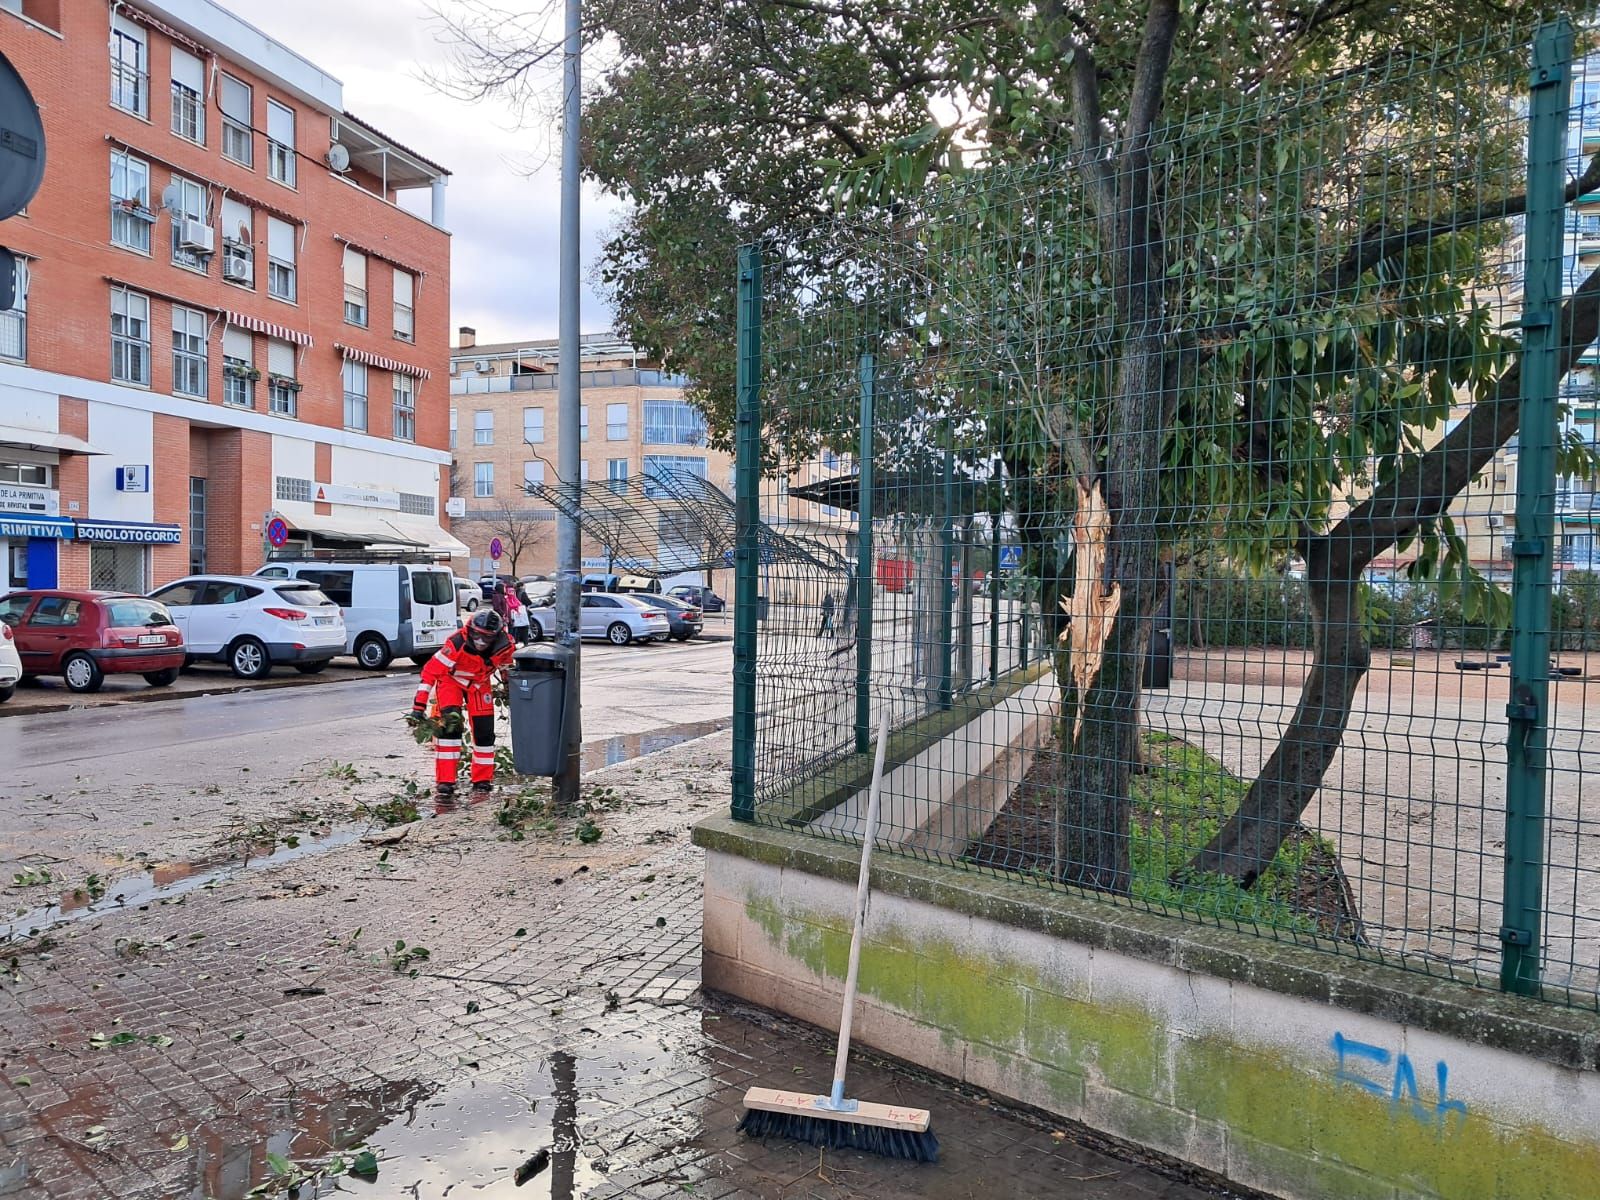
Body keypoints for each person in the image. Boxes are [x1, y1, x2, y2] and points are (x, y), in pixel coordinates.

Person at [409, 608, 515, 805]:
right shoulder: (456, 644)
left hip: (479, 684)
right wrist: (418, 706)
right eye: (477, 636)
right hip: (451, 682)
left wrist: (508, 685)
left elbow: (505, 664)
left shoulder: (505, 645)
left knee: (485, 733)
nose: (481, 642)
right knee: (450, 730)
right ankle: (446, 782)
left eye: (487, 638)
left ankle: (482, 780)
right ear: (470, 630)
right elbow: (430, 673)